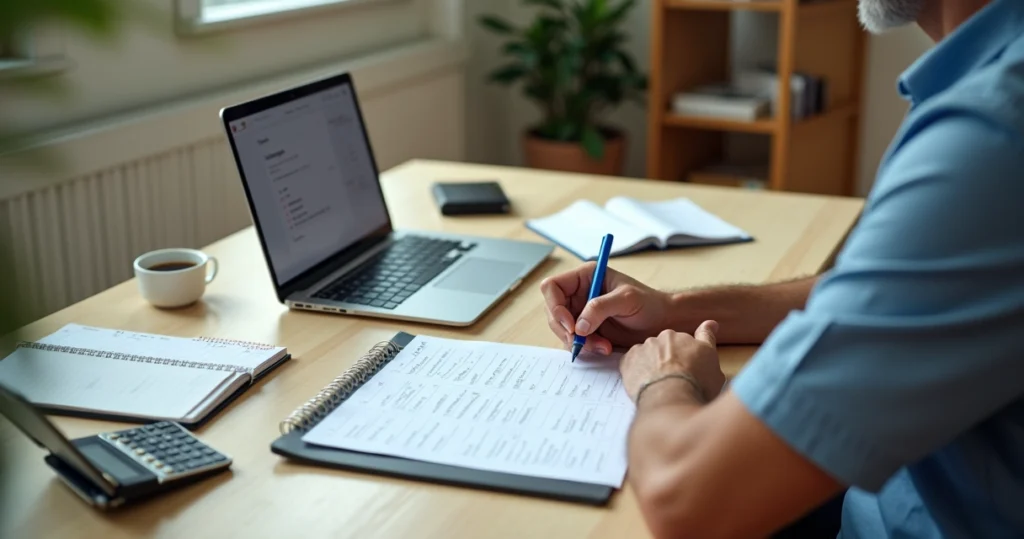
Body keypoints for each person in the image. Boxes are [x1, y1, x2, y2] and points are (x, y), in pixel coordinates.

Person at [540, 0, 1024, 534]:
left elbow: (687, 501)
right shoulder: (986, 81)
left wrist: (666, 380)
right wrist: (674, 309)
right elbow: (886, 291)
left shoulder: (992, 135)